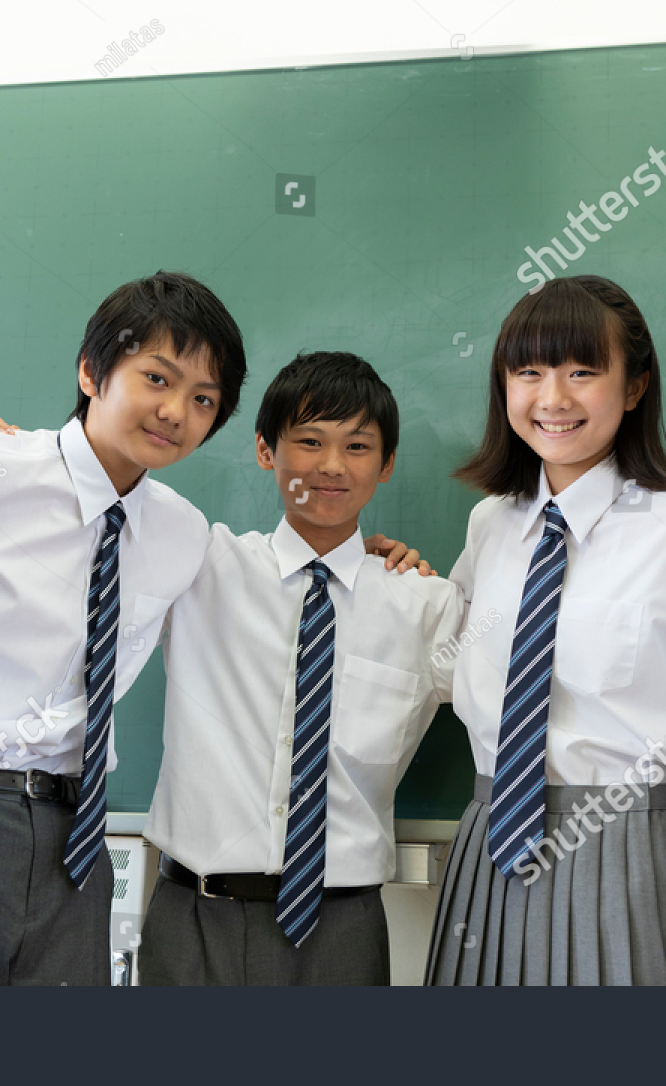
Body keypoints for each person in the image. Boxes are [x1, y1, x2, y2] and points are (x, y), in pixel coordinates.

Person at [0, 280, 424, 985]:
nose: (175, 411)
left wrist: (370, 557)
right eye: (157, 378)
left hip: (78, 830)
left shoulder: (183, 535)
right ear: (91, 371)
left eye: (203, 399)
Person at [427, 275, 666, 986]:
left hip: (628, 845)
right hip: (487, 848)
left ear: (634, 387)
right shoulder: (491, 527)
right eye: (529, 372)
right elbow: (452, 670)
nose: (553, 398)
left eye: (582, 372)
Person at [138, 352, 461, 985]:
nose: (332, 466)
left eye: (358, 446)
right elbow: (99, 507)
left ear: (387, 464)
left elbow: (520, 704)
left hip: (340, 929)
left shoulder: (427, 605)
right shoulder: (201, 565)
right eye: (309, 441)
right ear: (266, 451)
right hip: (193, 920)